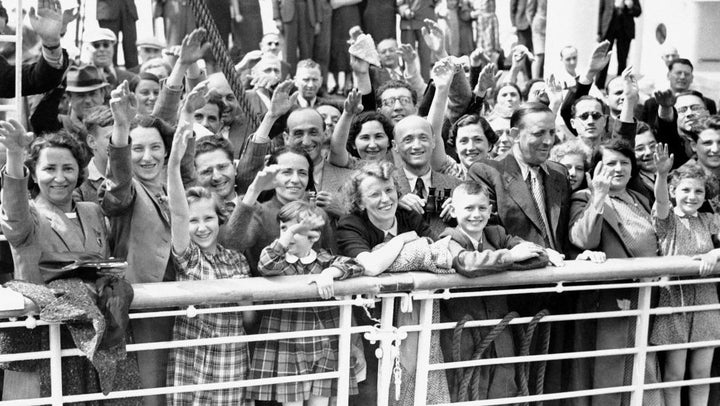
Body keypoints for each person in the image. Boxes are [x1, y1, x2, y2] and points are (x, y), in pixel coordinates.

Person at [0, 122, 118, 399]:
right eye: (49, 169)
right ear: (35, 172)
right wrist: (15, 156)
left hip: (92, 335)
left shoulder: (92, 211)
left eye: (67, 168)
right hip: (40, 332)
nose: (59, 177)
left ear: (79, 172)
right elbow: (14, 212)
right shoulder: (28, 213)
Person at [336, 160, 449, 406]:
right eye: (374, 194)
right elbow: (372, 266)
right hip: (369, 323)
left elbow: (440, 251)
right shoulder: (350, 224)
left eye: (389, 190)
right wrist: (401, 241)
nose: (385, 199)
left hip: (414, 317)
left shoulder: (407, 216)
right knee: (373, 391)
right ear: (360, 202)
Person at [101, 81, 181, 405]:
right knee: (153, 395)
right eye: (137, 149)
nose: (147, 157)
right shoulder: (128, 191)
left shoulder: (177, 188)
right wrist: (121, 126)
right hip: (148, 310)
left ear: (166, 150)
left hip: (188, 306)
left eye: (155, 148)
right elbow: (118, 181)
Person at [437, 181, 556, 401]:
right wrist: (509, 257)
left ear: (491, 210)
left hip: (500, 334)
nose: (476, 215)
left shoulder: (497, 235)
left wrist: (538, 254)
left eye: (482, 208)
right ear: (453, 211)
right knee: (464, 393)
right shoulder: (447, 239)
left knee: (504, 390)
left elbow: (535, 254)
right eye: (469, 208)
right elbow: (468, 264)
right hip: (462, 337)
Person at [165, 123, 254, 405]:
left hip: (232, 360)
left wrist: (246, 302)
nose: (202, 228)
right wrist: (175, 162)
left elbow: (249, 321)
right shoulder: (188, 257)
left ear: (220, 219)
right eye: (194, 221)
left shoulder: (236, 260)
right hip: (192, 363)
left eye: (208, 219)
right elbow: (178, 214)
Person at [568, 138, 662, 406]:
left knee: (646, 367)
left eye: (624, 163)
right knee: (613, 371)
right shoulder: (583, 197)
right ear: (595, 170)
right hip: (614, 299)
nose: (618, 169)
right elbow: (583, 239)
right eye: (610, 163)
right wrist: (598, 195)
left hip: (650, 296)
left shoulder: (640, 198)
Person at [250, 200, 364, 405]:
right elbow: (265, 264)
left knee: (319, 402)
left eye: (297, 230)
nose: (288, 234)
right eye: (284, 228)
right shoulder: (280, 263)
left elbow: (355, 264)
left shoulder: (323, 261)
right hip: (288, 345)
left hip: (324, 345)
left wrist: (330, 273)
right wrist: (290, 233)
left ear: (314, 236)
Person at [649, 145, 720, 406]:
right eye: (685, 190)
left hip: (706, 301)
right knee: (675, 374)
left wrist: (717, 254)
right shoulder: (666, 219)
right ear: (673, 192)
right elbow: (660, 202)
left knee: (701, 373)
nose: (692, 196)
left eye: (698, 191)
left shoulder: (709, 221)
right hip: (674, 302)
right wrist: (661, 174)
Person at [220, 147, 337, 274]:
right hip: (267, 291)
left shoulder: (317, 214)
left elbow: (331, 258)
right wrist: (254, 190)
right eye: (287, 172)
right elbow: (232, 245)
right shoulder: (259, 212)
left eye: (302, 173)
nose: (295, 180)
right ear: (272, 176)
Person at [596, 0, 641, 89]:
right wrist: (599, 32)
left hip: (625, 30)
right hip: (608, 28)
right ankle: (598, 87)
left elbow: (638, 11)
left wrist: (630, 6)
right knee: (604, 58)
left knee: (622, 60)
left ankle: (620, 87)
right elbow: (601, 11)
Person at [75, 105, 113, 203]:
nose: (118, 142)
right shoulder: (79, 182)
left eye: (122, 136)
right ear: (92, 142)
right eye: (110, 137)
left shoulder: (136, 175)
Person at [96, 0, 138, 68]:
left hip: (128, 7)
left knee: (131, 45)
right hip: (108, 8)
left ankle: (134, 75)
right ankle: (109, 74)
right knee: (108, 45)